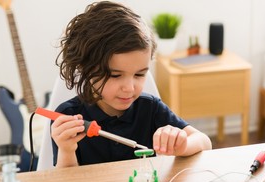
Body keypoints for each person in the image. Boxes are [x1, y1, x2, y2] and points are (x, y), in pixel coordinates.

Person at [51, 1, 212, 168]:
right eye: (115, 75)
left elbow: (204, 142)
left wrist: (183, 144)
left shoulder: (150, 109)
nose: (129, 88)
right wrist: (66, 150)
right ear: (85, 67)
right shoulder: (68, 116)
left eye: (140, 74)